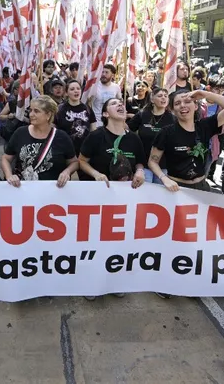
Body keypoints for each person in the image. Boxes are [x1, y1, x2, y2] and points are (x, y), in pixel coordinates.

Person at [79, 97, 146, 301]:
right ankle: (91, 282)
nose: (120, 105)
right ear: (106, 114)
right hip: (99, 199)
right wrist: (96, 174)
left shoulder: (134, 139)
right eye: (114, 104)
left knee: (119, 242)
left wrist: (140, 172)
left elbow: (140, 163)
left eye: (121, 103)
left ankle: (115, 280)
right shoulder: (96, 136)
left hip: (124, 201)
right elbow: (82, 161)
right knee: (96, 241)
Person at [150, 90, 224, 193]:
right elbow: (152, 161)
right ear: (173, 110)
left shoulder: (205, 126)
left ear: (196, 106)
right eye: (177, 103)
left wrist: (206, 94)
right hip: (176, 188)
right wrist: (164, 178)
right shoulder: (166, 133)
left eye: (187, 101)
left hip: (201, 187)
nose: (183, 105)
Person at [3, 95, 78, 187]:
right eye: (30, 110)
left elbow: (74, 162)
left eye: (36, 111)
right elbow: (6, 158)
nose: (31, 114)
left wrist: (67, 172)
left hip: (53, 190)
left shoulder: (62, 137)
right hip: (24, 190)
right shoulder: (20, 133)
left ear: (48, 115)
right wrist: (9, 175)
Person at [128, 87, 175, 183]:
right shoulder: (142, 115)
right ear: (152, 99)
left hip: (163, 166)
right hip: (143, 164)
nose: (163, 98)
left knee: (160, 195)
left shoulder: (173, 119)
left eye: (166, 96)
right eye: (160, 96)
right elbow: (129, 130)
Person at [55, 79, 97, 162]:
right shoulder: (60, 109)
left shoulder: (87, 108)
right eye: (72, 89)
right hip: (65, 150)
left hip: (84, 150)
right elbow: (53, 129)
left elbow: (93, 131)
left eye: (78, 88)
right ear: (66, 93)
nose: (76, 91)